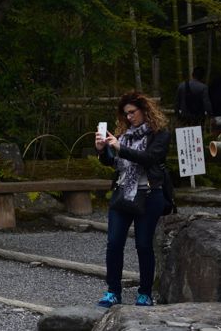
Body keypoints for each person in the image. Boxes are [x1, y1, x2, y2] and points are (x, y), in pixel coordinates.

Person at [95, 91, 170, 308]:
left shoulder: (160, 134)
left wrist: (120, 147)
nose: (129, 118)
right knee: (114, 243)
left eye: (132, 112)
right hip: (123, 192)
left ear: (145, 110)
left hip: (149, 193)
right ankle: (113, 292)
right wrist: (103, 152)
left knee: (143, 245)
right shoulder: (125, 134)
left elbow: (150, 158)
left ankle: (145, 293)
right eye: (125, 114)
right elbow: (115, 163)